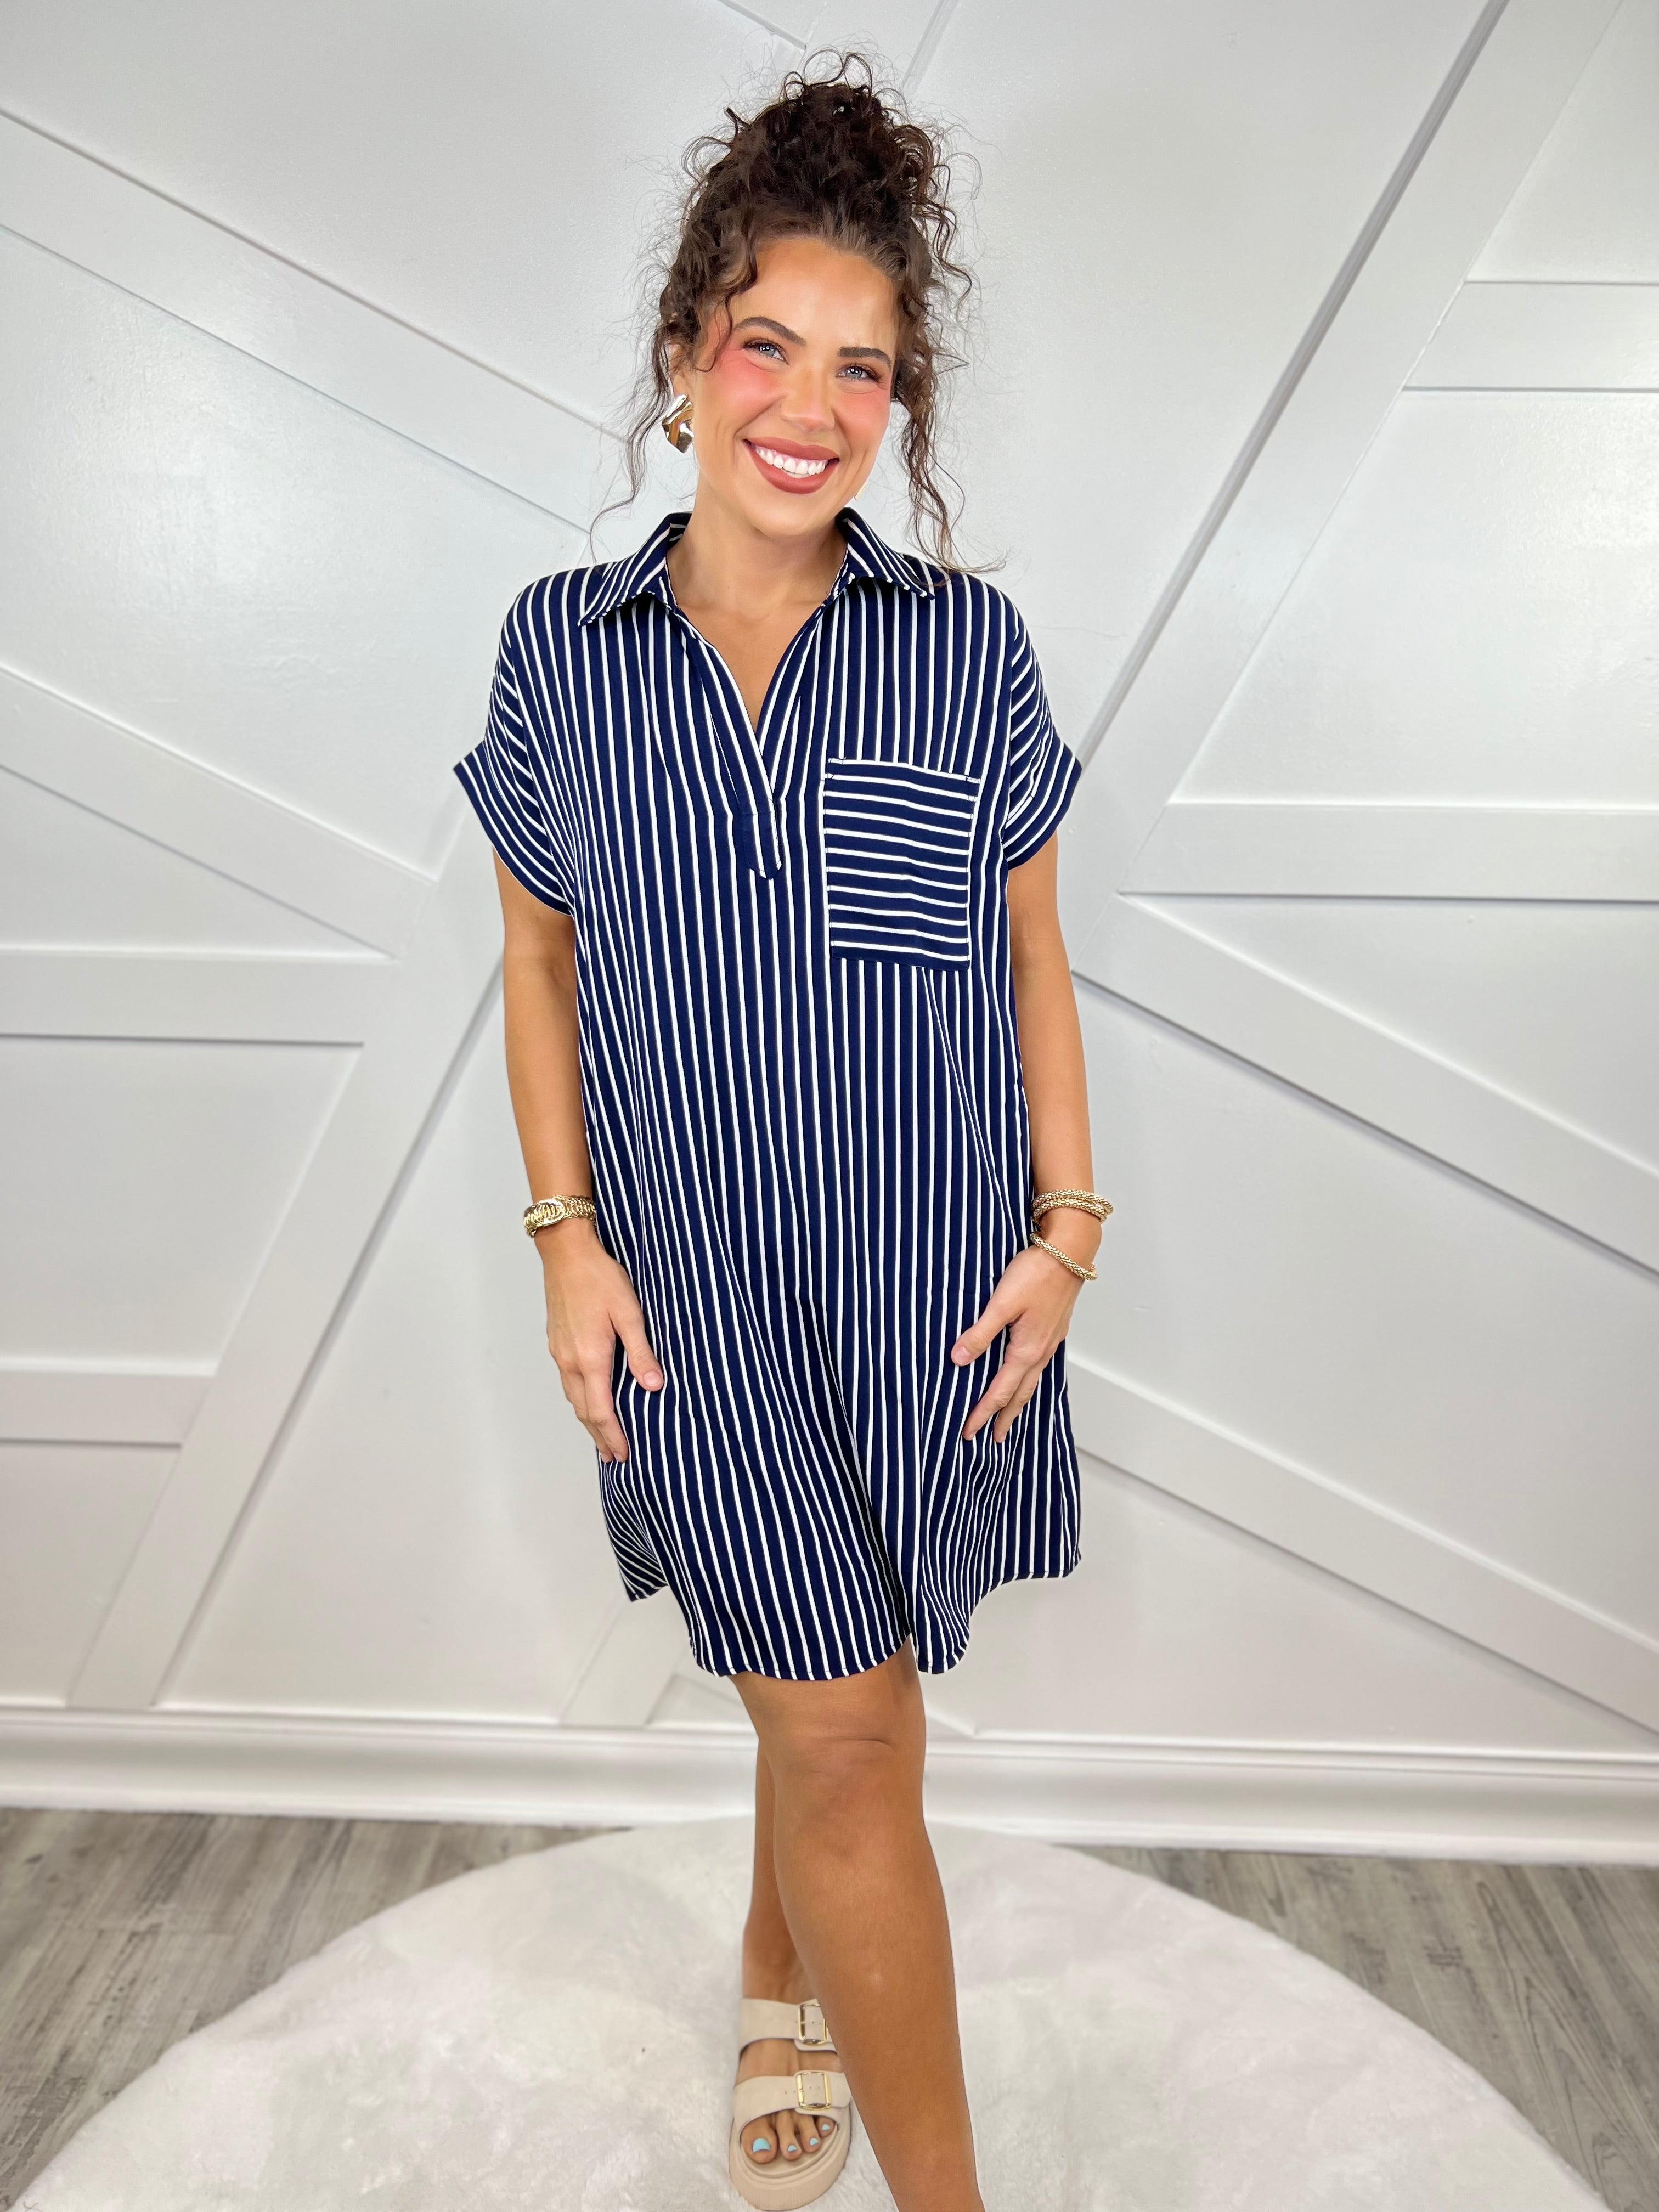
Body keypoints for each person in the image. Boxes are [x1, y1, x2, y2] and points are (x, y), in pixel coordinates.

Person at [454, 54, 1108, 2212]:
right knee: (838, 1728)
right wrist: (565, 1236)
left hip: (937, 1298)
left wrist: (1070, 1229)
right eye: (767, 346)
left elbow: (1034, 957)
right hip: (696, 1308)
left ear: (897, 402)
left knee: (852, 1711)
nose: (812, 408)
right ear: (682, 357)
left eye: (864, 368)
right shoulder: (562, 656)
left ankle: (772, 1971)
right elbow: (537, 957)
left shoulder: (966, 654)